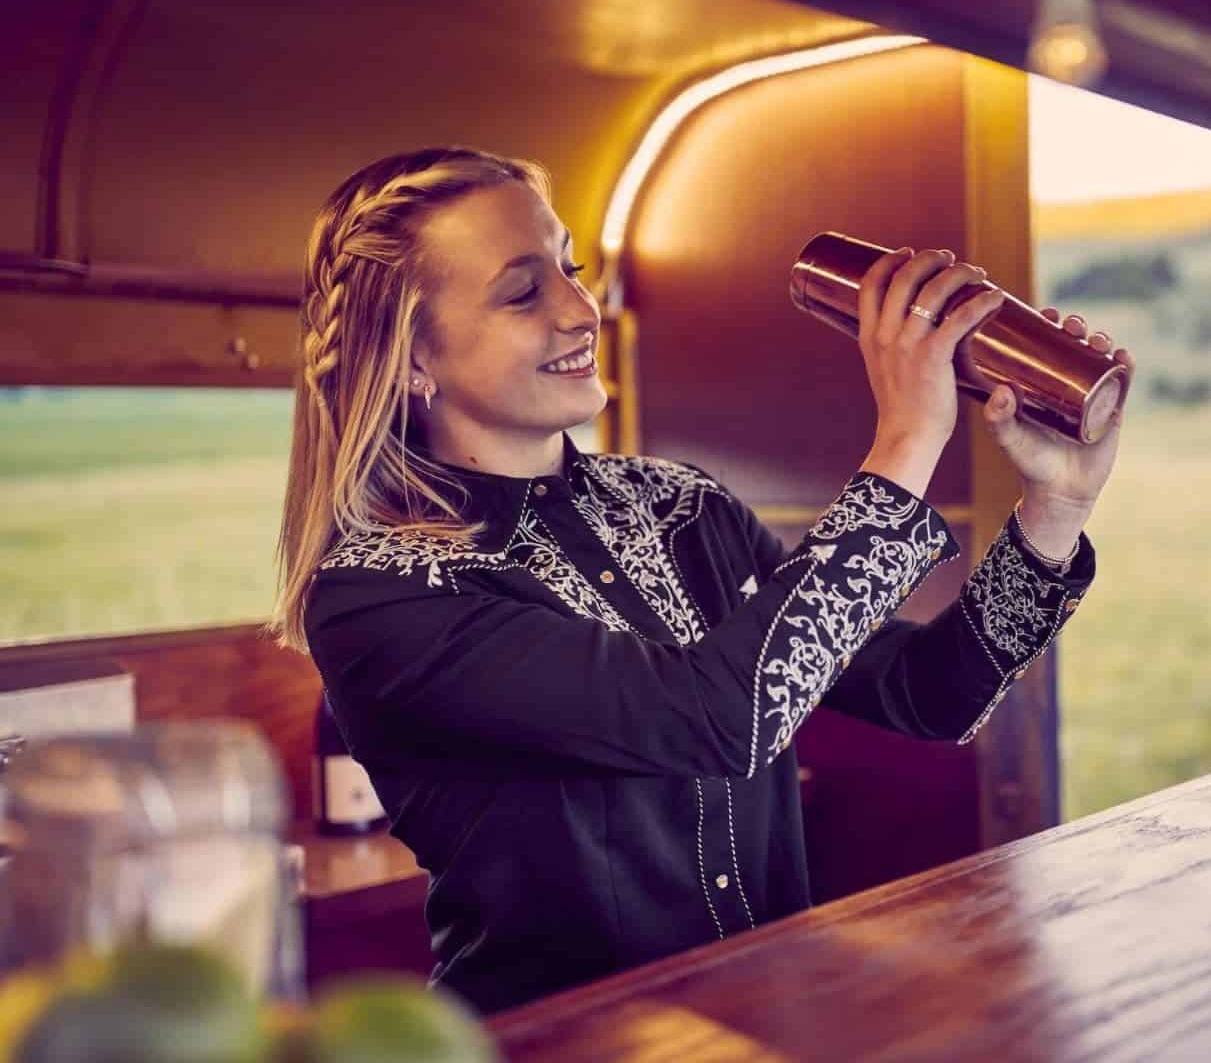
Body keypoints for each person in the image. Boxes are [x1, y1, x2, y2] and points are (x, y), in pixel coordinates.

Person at [268, 146, 1129, 1013]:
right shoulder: (381, 596)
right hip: (569, 1043)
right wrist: (906, 441)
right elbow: (716, 719)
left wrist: (1056, 506)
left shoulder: (680, 503)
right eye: (523, 291)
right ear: (412, 358)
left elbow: (928, 694)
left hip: (773, 1019)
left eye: (570, 268)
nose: (579, 309)